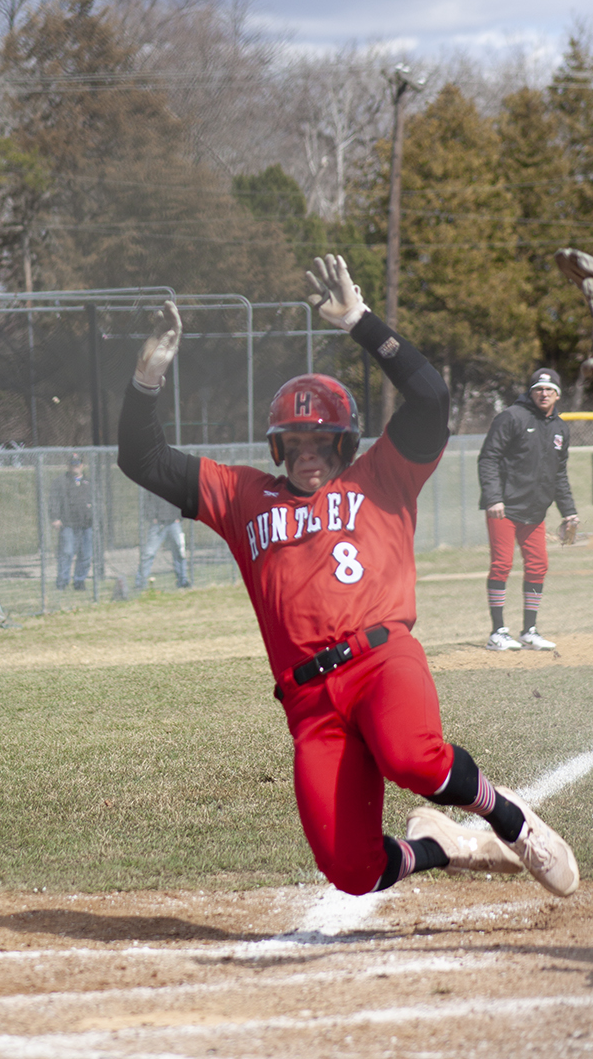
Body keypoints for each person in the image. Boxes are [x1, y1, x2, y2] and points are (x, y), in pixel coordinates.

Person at [118, 258, 579, 899]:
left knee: (412, 757)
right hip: (309, 703)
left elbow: (431, 397)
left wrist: (362, 323)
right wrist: (148, 375)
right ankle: (444, 846)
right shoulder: (243, 495)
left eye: (323, 440)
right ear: (277, 448)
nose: (309, 453)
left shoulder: (382, 474)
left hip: (381, 659)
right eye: (294, 442)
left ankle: (509, 820)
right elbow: (139, 457)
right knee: (352, 872)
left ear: (348, 442)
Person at [478, 368, 578, 652]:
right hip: (504, 507)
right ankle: (497, 632)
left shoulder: (560, 428)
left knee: (538, 565)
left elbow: (559, 474)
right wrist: (493, 497)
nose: (544, 394)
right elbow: (488, 458)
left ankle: (529, 631)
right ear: (531, 392)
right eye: (538, 389)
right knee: (502, 564)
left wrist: (568, 511)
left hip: (535, 510)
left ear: (557, 394)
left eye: (549, 390)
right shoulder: (512, 417)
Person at [49, 453, 93, 591]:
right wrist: (55, 518)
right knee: (67, 552)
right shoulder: (61, 481)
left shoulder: (88, 482)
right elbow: (53, 501)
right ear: (68, 465)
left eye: (78, 463)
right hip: (68, 523)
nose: (75, 466)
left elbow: (96, 500)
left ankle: (79, 581)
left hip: (86, 524)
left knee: (86, 554)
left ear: (82, 465)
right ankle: (62, 582)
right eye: (73, 464)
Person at [135, 490, 191, 590]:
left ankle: (183, 581)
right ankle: (140, 583)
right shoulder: (152, 482)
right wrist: (152, 517)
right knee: (149, 553)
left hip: (174, 522)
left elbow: (182, 498)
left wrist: (179, 516)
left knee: (180, 551)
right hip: (158, 524)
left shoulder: (175, 481)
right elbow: (147, 501)